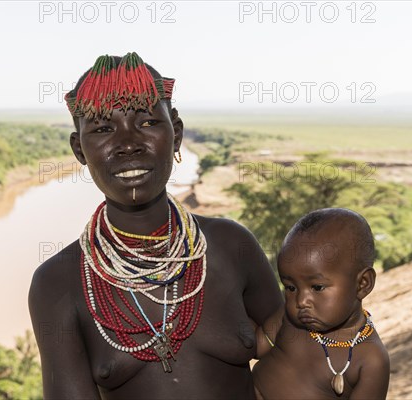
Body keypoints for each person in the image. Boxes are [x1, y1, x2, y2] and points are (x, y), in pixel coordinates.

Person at [29, 52, 282, 399]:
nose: (128, 144)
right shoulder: (58, 283)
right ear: (79, 150)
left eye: (147, 122)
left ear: (176, 134)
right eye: (103, 129)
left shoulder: (231, 246)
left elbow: (299, 357)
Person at [253, 208, 390, 399]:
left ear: (362, 284)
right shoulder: (289, 318)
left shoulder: (371, 360)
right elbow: (255, 345)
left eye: (317, 287)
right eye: (290, 288)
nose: (301, 301)